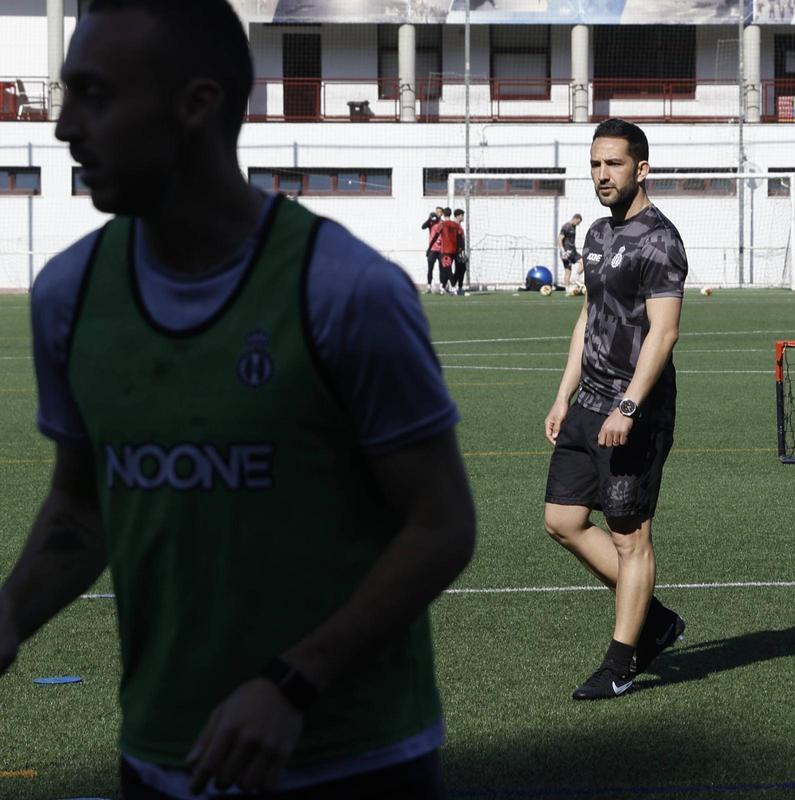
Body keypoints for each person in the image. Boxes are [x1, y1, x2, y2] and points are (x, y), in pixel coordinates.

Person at [0, 2, 476, 798]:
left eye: (95, 95)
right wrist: (10, 613)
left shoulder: (344, 291)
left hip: (353, 761)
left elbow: (441, 524)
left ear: (196, 104)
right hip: (160, 755)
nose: (64, 128)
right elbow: (81, 511)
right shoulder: (69, 296)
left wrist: (294, 683)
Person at [543, 119, 688, 700]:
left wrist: (628, 406)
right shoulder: (599, 235)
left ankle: (621, 662)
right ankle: (656, 621)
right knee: (563, 520)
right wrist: (562, 395)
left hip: (635, 410)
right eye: (596, 163)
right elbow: (589, 317)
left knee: (630, 537)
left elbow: (664, 332)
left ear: (641, 169)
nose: (602, 175)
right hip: (587, 402)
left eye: (614, 164)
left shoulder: (661, 239)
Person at [437, 207, 462, 296]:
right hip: (454, 250)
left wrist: (432, 246)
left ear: (444, 214)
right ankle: (443, 288)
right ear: (451, 214)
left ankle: (453, 288)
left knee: (447, 270)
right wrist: (459, 249)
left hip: (446, 251)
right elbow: (459, 237)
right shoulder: (455, 225)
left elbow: (437, 235)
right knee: (445, 269)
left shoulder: (442, 224)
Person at [421, 206, 444, 294]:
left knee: (442, 269)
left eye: (439, 212)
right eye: (436, 211)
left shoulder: (443, 223)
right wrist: (429, 218)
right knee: (430, 268)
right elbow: (423, 227)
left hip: (442, 249)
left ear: (442, 213)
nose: (437, 213)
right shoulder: (431, 222)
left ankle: (442, 287)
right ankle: (428, 287)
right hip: (432, 249)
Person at [559, 212, 583, 287]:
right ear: (575, 219)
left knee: (584, 262)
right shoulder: (566, 227)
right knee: (568, 271)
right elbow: (559, 239)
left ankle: (576, 277)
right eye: (578, 222)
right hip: (566, 252)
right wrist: (563, 251)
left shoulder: (574, 227)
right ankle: (567, 288)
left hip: (573, 252)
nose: (578, 224)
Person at [451, 208, 468, 295]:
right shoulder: (454, 225)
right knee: (459, 269)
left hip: (461, 251)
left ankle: (459, 287)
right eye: (462, 215)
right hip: (457, 251)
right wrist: (459, 249)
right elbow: (455, 238)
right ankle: (454, 287)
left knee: (462, 269)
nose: (463, 217)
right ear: (458, 216)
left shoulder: (459, 225)